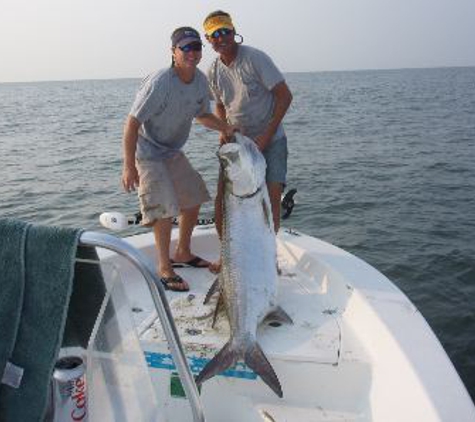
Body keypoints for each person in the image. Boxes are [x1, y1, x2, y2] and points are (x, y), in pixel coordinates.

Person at [122, 26, 236, 292]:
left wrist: (226, 128)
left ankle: (183, 251)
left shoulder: (199, 81)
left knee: (194, 198)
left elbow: (202, 115)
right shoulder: (161, 82)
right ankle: (164, 266)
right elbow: (131, 124)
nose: (192, 53)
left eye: (196, 47)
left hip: (172, 150)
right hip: (147, 150)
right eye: (185, 47)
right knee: (163, 207)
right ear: (173, 52)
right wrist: (128, 165)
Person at [202, 11, 293, 238]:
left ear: (234, 32)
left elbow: (285, 96)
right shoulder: (212, 71)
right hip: (237, 145)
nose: (221, 38)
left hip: (271, 141)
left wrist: (266, 136)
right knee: (224, 201)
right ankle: (226, 258)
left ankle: (269, 258)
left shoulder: (255, 58)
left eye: (226, 31)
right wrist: (223, 129)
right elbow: (220, 105)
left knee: (271, 200)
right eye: (215, 34)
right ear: (208, 39)